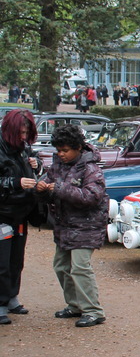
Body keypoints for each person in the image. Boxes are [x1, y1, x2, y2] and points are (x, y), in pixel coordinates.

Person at [35, 124, 109, 328]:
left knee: (80, 267)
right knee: (61, 266)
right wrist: (41, 189)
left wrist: (58, 188)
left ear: (78, 147)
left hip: (87, 227)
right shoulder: (57, 165)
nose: (61, 154)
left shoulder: (91, 169)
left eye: (65, 150)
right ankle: (75, 305)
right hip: (65, 226)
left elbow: (91, 197)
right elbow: (49, 187)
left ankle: (93, 311)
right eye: (58, 150)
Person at [0, 110, 43, 325]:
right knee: (2, 262)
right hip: (2, 213)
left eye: (27, 133)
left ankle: (11, 298)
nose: (24, 137)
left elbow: (35, 168)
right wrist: (15, 183)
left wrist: (37, 164)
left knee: (16, 259)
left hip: (21, 212)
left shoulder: (24, 148)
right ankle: (1, 303)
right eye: (21, 133)